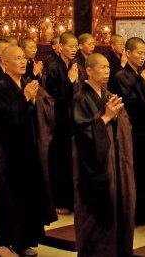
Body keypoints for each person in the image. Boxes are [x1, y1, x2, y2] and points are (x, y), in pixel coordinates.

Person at [0, 44, 56, 257]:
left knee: (27, 196)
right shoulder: (1, 86)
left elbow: (41, 112)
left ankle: (23, 241)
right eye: (16, 58)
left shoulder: (27, 82)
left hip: (29, 148)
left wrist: (33, 101)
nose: (22, 61)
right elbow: (2, 119)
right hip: (8, 151)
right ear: (5, 63)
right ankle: (3, 244)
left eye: (23, 58)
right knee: (7, 196)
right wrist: (24, 99)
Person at [74, 52, 135, 256]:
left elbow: (125, 125)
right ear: (89, 70)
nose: (107, 71)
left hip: (115, 161)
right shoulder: (80, 98)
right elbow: (82, 134)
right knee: (96, 213)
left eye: (108, 67)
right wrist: (107, 117)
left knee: (120, 206)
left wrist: (118, 119)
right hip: (93, 168)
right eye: (102, 67)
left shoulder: (109, 96)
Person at [111, 37, 145, 225]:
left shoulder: (142, 73)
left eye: (144, 53)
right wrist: (142, 83)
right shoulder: (121, 76)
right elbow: (131, 104)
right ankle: (137, 213)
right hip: (135, 132)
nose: (142, 57)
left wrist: (144, 82)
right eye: (138, 53)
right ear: (128, 53)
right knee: (137, 174)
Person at [44, 32, 82, 214]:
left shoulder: (74, 65)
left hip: (73, 119)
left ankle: (72, 198)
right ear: (60, 47)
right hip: (59, 121)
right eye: (71, 46)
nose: (74, 49)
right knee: (60, 160)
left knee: (71, 160)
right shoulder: (53, 67)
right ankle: (59, 201)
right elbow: (54, 98)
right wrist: (69, 81)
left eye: (76, 46)